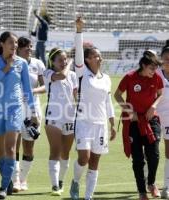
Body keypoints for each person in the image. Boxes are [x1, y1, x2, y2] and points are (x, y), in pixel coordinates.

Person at [0, 31, 39, 199]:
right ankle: (7, 180)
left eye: (16, 43)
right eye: (11, 42)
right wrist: (7, 67)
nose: (14, 45)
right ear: (2, 44)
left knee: (10, 149)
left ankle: (3, 187)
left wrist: (33, 112)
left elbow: (27, 89)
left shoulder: (22, 63)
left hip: (15, 109)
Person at [69, 17, 116, 200]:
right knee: (84, 158)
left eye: (99, 55)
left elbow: (108, 102)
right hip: (83, 123)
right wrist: (79, 30)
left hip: (100, 125)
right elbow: (79, 53)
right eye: (95, 55)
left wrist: (112, 124)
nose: (99, 58)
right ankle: (75, 182)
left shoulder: (106, 78)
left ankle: (88, 196)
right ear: (88, 60)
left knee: (95, 161)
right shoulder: (82, 73)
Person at [114, 50, 163, 200]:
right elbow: (117, 94)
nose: (154, 72)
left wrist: (153, 106)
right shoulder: (129, 77)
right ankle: (142, 191)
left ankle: (152, 184)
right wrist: (129, 110)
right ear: (143, 65)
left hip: (151, 120)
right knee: (138, 159)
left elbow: (160, 95)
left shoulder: (156, 78)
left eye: (155, 69)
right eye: (151, 68)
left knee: (154, 155)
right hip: (133, 122)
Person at [12, 37, 46, 192]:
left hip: (33, 109)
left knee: (29, 146)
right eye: (25, 47)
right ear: (18, 49)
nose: (29, 49)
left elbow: (45, 86)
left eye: (30, 47)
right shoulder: (14, 63)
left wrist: (31, 90)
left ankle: (24, 179)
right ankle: (15, 180)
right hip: (15, 107)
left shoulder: (38, 64)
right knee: (14, 145)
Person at [43, 45, 78, 195]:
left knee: (66, 152)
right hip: (53, 117)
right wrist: (70, 64)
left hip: (70, 116)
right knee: (55, 151)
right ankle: (55, 185)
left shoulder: (73, 76)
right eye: (60, 60)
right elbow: (61, 76)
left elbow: (76, 95)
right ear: (52, 62)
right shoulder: (48, 73)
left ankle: (61, 180)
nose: (63, 62)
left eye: (65, 59)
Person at [159, 40, 169, 199]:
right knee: (149, 153)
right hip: (152, 118)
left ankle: (166, 186)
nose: (168, 61)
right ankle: (149, 181)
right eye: (166, 58)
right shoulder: (155, 74)